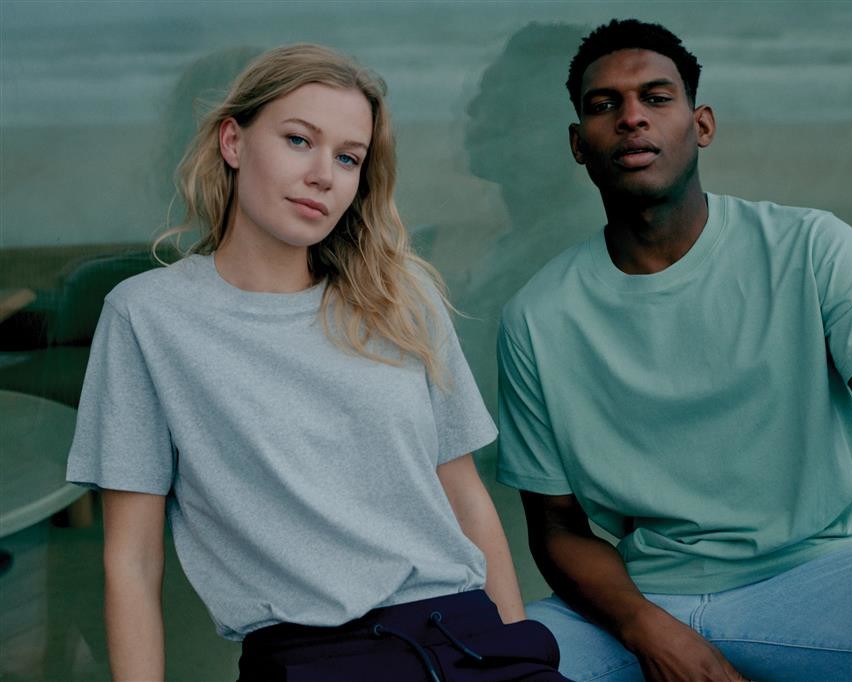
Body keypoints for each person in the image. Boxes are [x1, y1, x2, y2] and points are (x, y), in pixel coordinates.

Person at [496, 19, 852, 682]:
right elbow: (558, 528)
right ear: (579, 144)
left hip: (834, 573)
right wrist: (647, 628)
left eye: (656, 98)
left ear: (702, 125)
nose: (632, 117)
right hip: (648, 593)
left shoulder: (812, 249)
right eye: (605, 105)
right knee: (494, 669)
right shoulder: (537, 317)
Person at [66, 43, 566, 681]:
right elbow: (132, 562)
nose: (324, 175)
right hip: (313, 658)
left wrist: (517, 647)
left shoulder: (400, 296)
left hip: (466, 635)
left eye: (348, 157)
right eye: (299, 140)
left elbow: (464, 494)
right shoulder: (148, 317)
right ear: (233, 141)